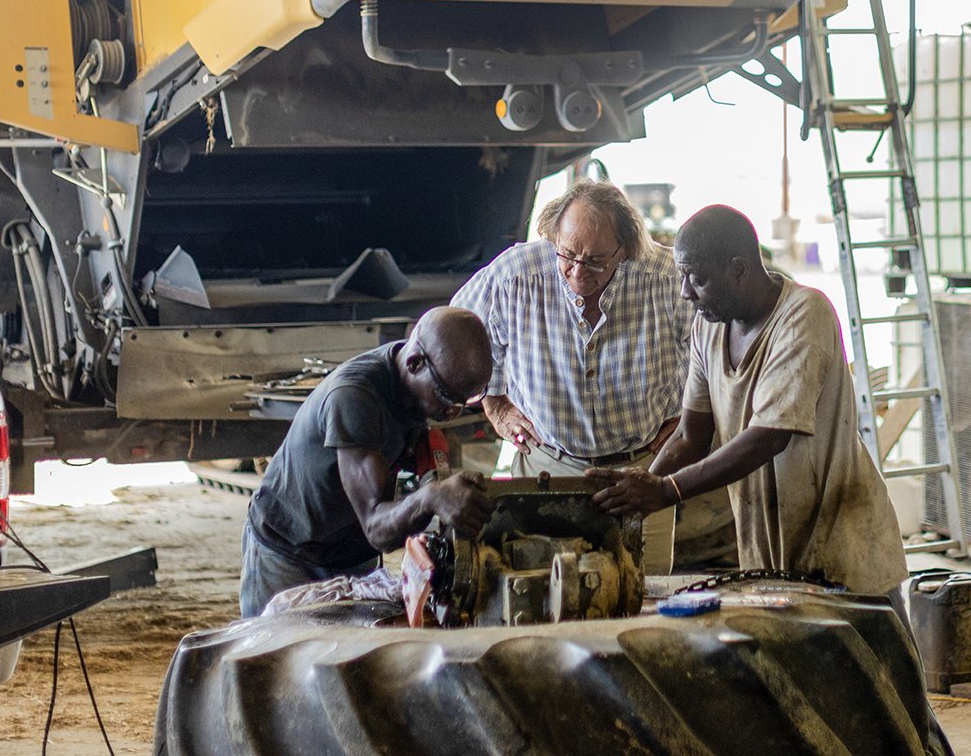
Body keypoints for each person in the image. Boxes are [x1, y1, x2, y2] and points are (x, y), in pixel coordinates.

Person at [590, 205, 908, 599]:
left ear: (738, 269)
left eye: (698, 279)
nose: (686, 293)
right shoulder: (708, 326)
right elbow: (692, 436)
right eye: (683, 278)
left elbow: (770, 436)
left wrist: (667, 491)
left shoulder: (804, 315)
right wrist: (644, 486)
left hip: (844, 542)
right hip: (770, 549)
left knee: (878, 656)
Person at [453, 180, 717, 574]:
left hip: (642, 473)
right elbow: (456, 332)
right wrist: (493, 402)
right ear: (552, 235)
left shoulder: (665, 280)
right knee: (542, 596)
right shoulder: (515, 274)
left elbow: (714, 351)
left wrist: (689, 418)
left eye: (595, 261)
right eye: (567, 254)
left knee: (642, 601)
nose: (578, 272)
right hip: (546, 469)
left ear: (625, 249)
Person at [239, 306, 495, 617]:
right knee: (273, 660)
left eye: (462, 402)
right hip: (289, 554)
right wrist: (430, 497)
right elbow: (377, 528)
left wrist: (429, 468)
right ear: (415, 363)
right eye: (445, 397)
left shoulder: (411, 383)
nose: (450, 413)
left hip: (352, 555)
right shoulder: (354, 396)